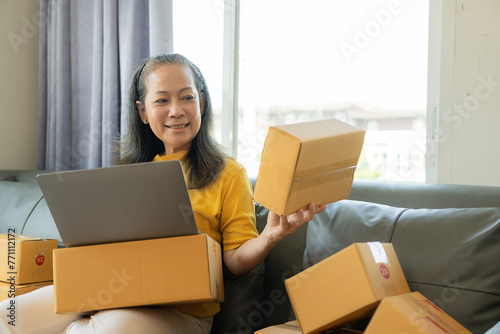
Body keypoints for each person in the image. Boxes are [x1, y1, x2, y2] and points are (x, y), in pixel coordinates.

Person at [0, 53, 325, 334]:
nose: (176, 110)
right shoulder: (127, 172)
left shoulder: (228, 173)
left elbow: (236, 262)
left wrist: (269, 236)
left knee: (102, 329)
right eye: (161, 100)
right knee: (7, 314)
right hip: (111, 293)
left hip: (183, 313)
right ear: (142, 112)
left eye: (186, 97)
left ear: (201, 102)